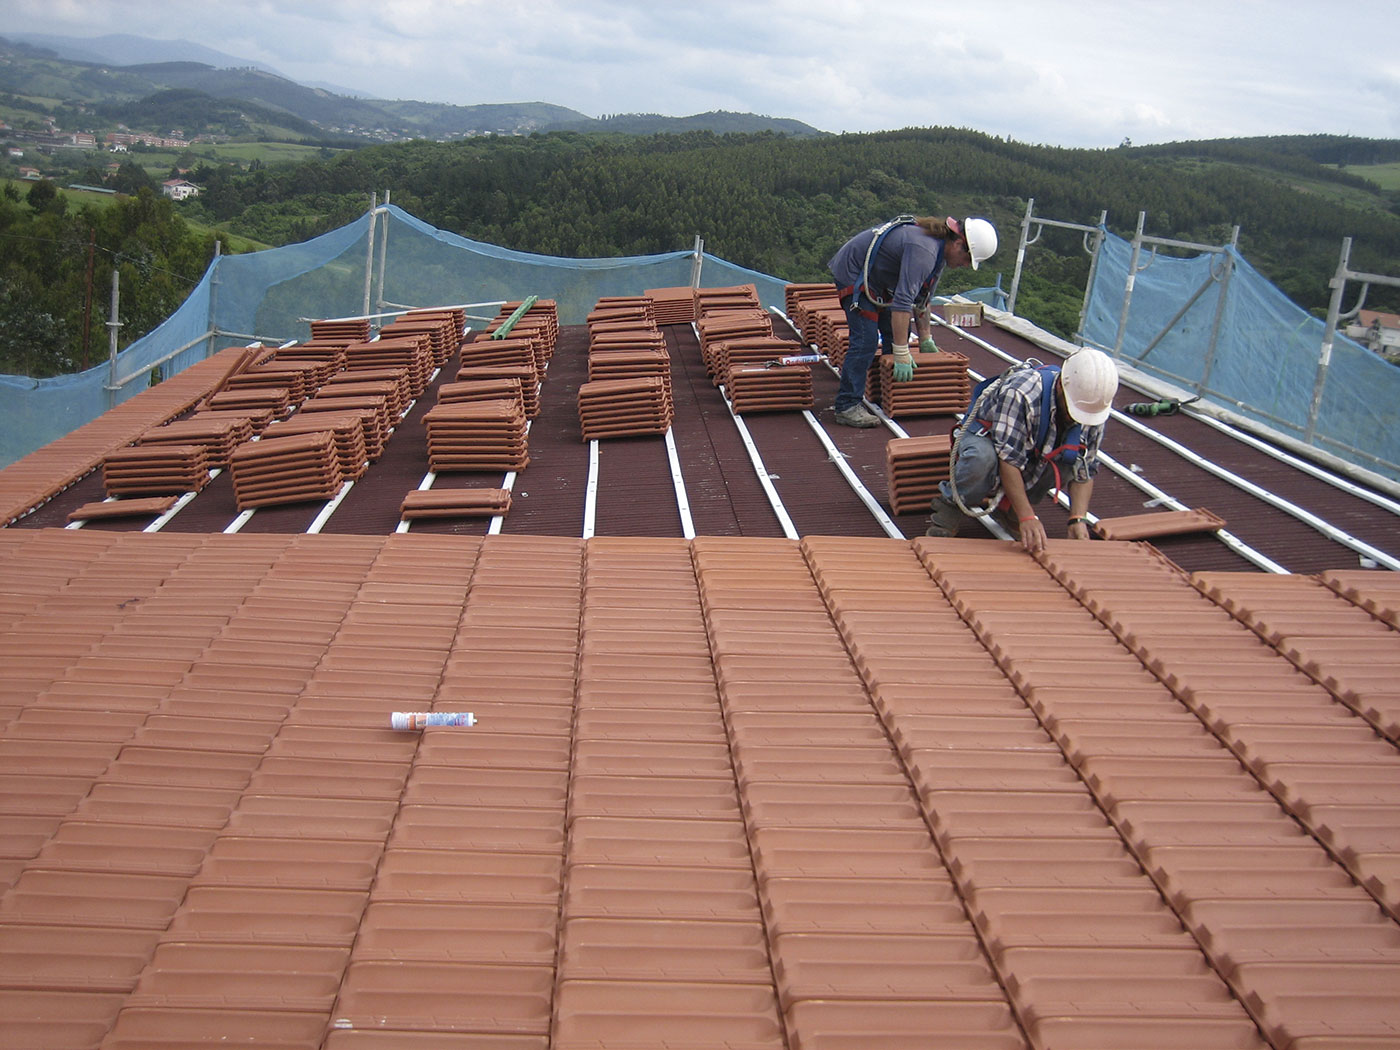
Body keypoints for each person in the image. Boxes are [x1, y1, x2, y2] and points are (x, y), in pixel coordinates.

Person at [926, 347, 1120, 552]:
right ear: (1062, 387)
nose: (1078, 419)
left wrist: (1077, 518)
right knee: (982, 458)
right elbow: (1008, 459)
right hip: (990, 440)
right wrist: (1027, 516)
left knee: (1068, 459)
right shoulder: (1021, 393)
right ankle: (950, 508)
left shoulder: (1093, 407)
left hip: (1032, 448)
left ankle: (1009, 509)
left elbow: (1084, 469)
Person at [827, 214, 998, 428]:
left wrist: (926, 338)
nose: (964, 264)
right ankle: (847, 405)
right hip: (854, 272)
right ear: (958, 243)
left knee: (897, 333)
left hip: (879, 278)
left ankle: (886, 394)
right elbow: (902, 303)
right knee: (866, 340)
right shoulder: (924, 250)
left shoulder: (938, 254)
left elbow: (922, 300)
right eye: (967, 258)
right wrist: (901, 353)